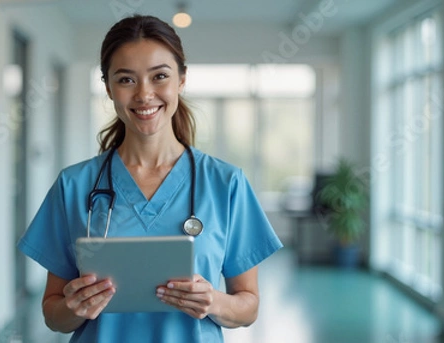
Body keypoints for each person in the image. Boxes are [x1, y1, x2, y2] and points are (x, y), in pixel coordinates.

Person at [17, 14, 282, 343]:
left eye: (159, 76)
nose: (144, 94)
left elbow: (248, 306)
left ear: (181, 80)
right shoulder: (74, 185)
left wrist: (214, 301)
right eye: (126, 79)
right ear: (108, 87)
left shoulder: (226, 184)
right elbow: (53, 315)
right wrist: (76, 307)